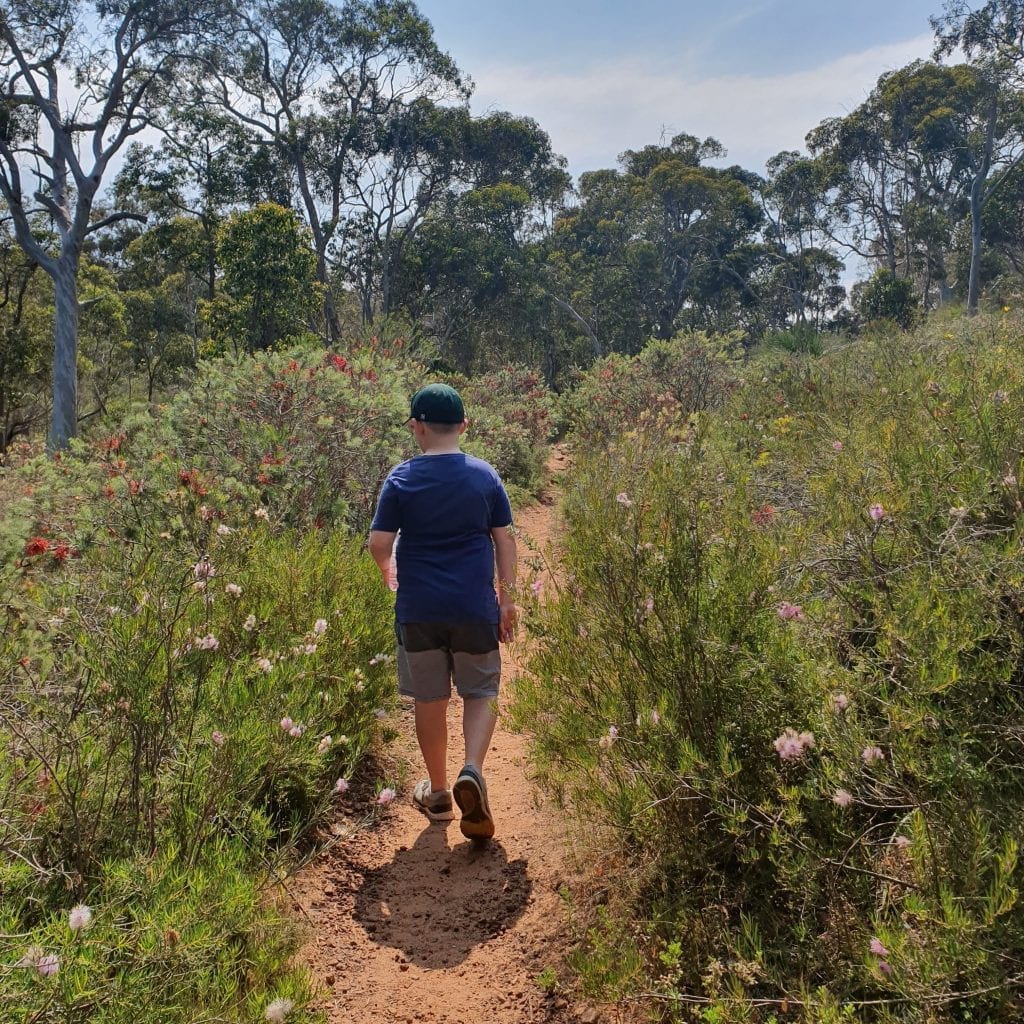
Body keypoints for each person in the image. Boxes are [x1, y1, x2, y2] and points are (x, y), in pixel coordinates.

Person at [368, 383, 517, 841]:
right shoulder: (484, 476)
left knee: (430, 700)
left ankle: (437, 795)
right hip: (473, 607)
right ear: (464, 426)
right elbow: (504, 540)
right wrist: (507, 599)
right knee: (480, 689)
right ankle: (471, 769)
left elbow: (379, 543)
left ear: (417, 427)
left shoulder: (402, 478)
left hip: (420, 610)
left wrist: (388, 570)